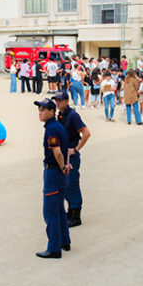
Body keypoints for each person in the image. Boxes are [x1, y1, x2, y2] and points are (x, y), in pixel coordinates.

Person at [33, 98, 71, 259]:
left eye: (43, 109)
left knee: (50, 211)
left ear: (51, 111)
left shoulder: (51, 129)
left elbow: (57, 152)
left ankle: (54, 247)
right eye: (39, 109)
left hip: (53, 172)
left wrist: (63, 166)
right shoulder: (57, 126)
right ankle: (64, 240)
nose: (40, 112)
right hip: (59, 174)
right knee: (59, 209)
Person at [53, 92, 91, 228]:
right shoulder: (60, 115)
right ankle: (70, 211)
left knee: (72, 184)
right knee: (65, 184)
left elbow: (86, 133)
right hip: (63, 155)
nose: (58, 103)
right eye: (56, 100)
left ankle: (76, 214)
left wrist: (76, 149)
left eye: (60, 100)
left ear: (67, 101)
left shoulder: (73, 115)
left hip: (72, 156)